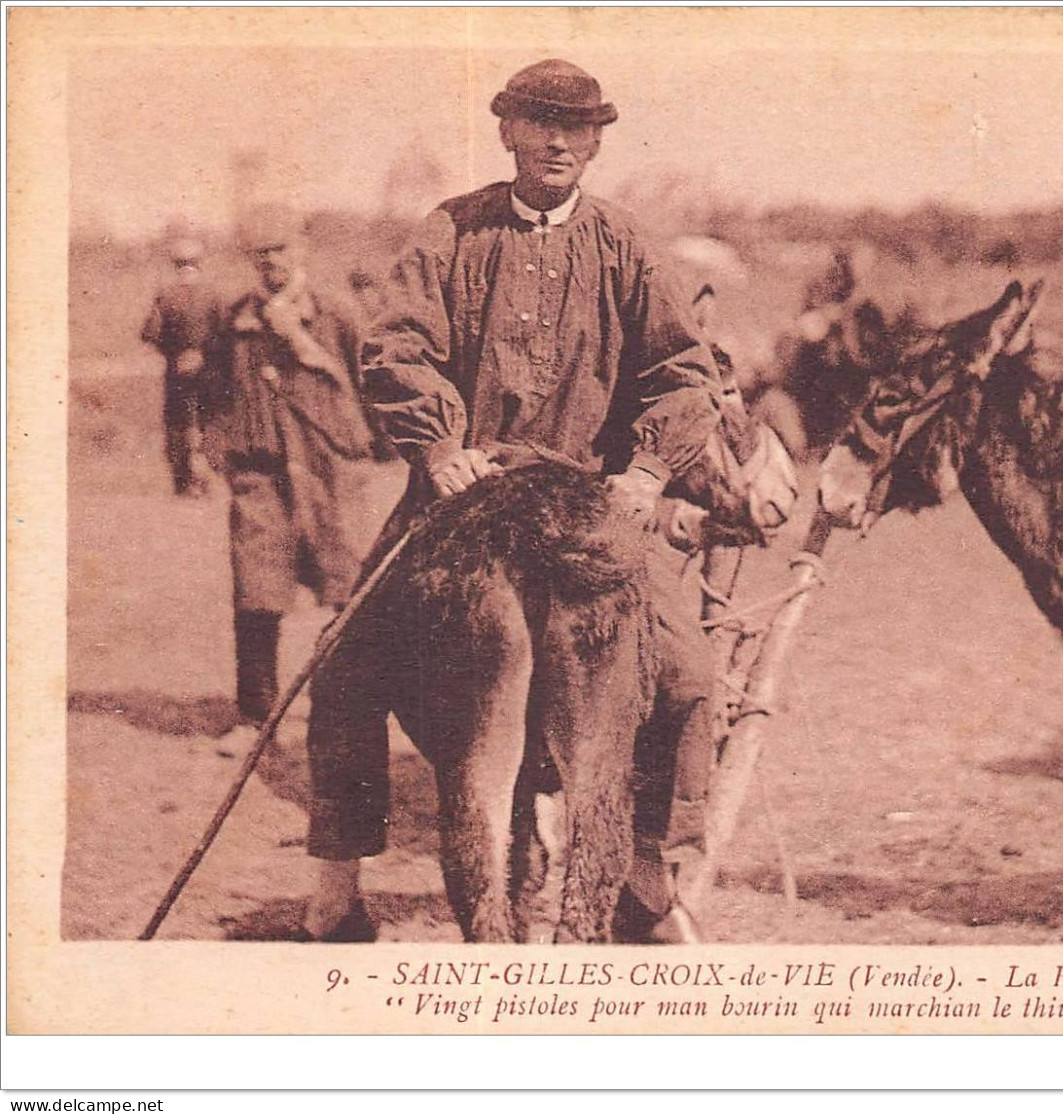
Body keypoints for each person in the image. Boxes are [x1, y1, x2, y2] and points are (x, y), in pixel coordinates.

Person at [301, 58, 723, 944]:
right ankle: (337, 876)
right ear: (506, 132)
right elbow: (396, 347)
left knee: (688, 673)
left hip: (588, 501)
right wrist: (440, 446)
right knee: (341, 660)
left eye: (578, 128)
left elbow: (683, 373)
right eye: (539, 124)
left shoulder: (624, 243)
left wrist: (645, 473)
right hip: (466, 490)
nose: (558, 142)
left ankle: (645, 857)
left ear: (600, 142)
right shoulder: (451, 231)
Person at [200, 205, 384, 728]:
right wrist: (222, 453)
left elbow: (374, 385)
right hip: (261, 476)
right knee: (256, 595)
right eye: (260, 253)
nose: (271, 262)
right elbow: (214, 391)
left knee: (348, 592)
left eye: (280, 249)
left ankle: (352, 711)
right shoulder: (234, 318)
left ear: (302, 247)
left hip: (333, 473)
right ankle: (256, 716)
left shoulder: (338, 313)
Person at [140, 236, 222, 497]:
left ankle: (185, 481)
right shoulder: (214, 295)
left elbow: (150, 333)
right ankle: (207, 477)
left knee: (179, 423)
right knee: (209, 421)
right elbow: (225, 333)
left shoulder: (165, 296)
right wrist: (202, 353)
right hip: (209, 370)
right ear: (201, 264)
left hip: (178, 370)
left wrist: (175, 352)